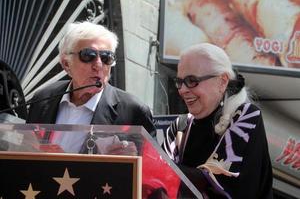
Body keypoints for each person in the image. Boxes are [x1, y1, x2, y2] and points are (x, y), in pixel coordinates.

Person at [162, 43, 273, 198]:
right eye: (179, 81)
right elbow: (159, 174)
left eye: (192, 80)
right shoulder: (181, 125)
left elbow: (217, 181)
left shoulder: (246, 116)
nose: (182, 89)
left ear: (222, 82)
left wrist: (155, 165)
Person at [26, 21, 156, 153]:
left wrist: (132, 162)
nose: (98, 65)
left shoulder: (133, 111)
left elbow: (155, 169)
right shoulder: (43, 99)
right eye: (88, 56)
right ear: (66, 64)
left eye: (106, 57)